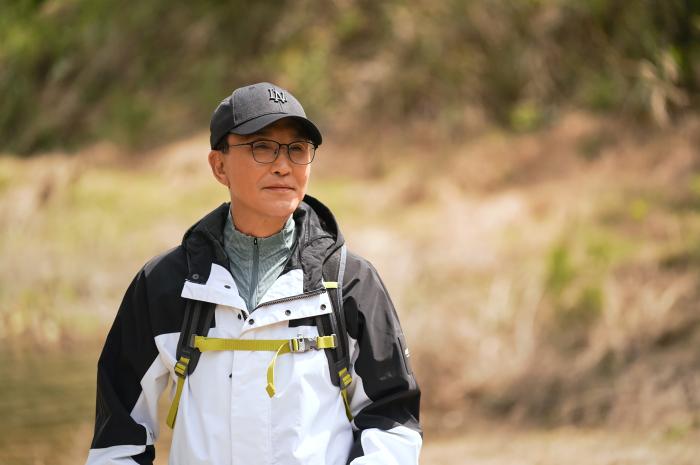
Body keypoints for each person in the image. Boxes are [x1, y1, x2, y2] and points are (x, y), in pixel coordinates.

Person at [85, 82, 422, 465]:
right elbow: (118, 439)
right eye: (262, 147)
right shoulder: (164, 284)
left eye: (297, 149)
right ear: (219, 165)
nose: (283, 165)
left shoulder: (350, 282)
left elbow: (392, 420)